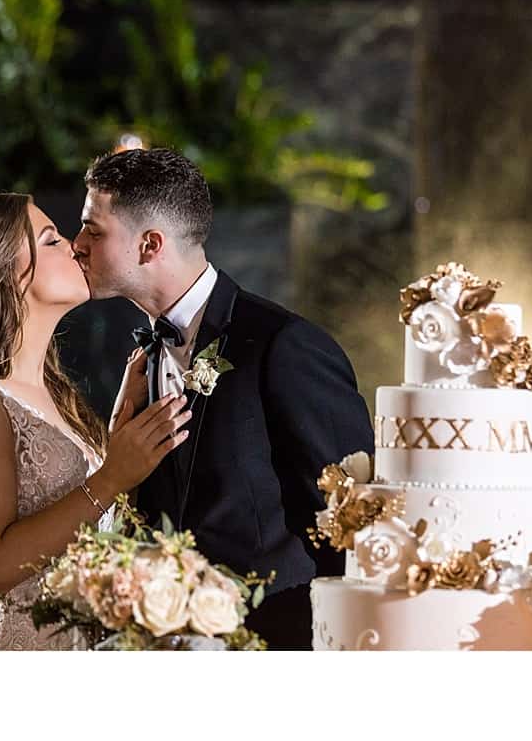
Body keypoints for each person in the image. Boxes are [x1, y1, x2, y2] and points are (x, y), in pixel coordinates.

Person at [73, 145, 374, 649]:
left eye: (93, 230)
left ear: (149, 245)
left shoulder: (285, 347)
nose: (77, 244)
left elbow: (351, 524)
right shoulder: (142, 358)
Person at [0, 192, 193, 650]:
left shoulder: (51, 391)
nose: (74, 246)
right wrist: (112, 475)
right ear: (7, 273)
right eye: (51, 240)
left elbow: (78, 526)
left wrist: (115, 448)